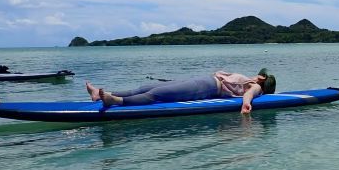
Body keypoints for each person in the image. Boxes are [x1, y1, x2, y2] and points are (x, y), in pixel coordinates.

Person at [86, 68, 277, 114]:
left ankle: (115, 101)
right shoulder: (253, 81)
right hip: (204, 82)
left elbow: (249, 93)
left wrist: (246, 103)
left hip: (207, 87)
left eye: (260, 75)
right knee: (146, 87)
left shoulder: (257, 87)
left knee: (156, 95)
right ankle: (102, 94)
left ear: (262, 79)